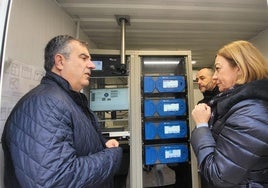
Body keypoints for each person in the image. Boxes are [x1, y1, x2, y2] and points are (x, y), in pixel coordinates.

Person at [1, 35, 122, 188]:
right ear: (60, 61)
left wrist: (102, 146)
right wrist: (113, 155)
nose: (91, 65)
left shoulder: (67, 100)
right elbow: (56, 180)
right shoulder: (45, 104)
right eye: (84, 58)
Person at [191, 40, 268, 187]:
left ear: (239, 69)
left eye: (218, 69)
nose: (214, 77)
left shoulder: (251, 114)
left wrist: (201, 126)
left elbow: (219, 176)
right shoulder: (239, 106)